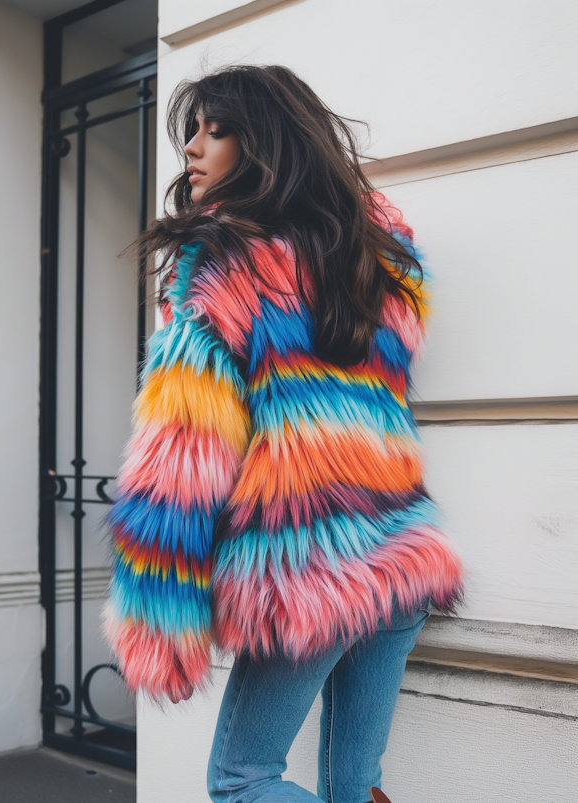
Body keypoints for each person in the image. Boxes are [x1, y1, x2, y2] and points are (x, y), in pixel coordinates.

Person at [104, 65, 464, 803]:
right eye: (192, 132)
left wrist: (159, 616)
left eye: (217, 128)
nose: (194, 150)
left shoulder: (224, 272)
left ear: (265, 141)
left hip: (309, 569)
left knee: (243, 781)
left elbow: (179, 461)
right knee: (355, 783)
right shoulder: (378, 263)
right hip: (399, 557)